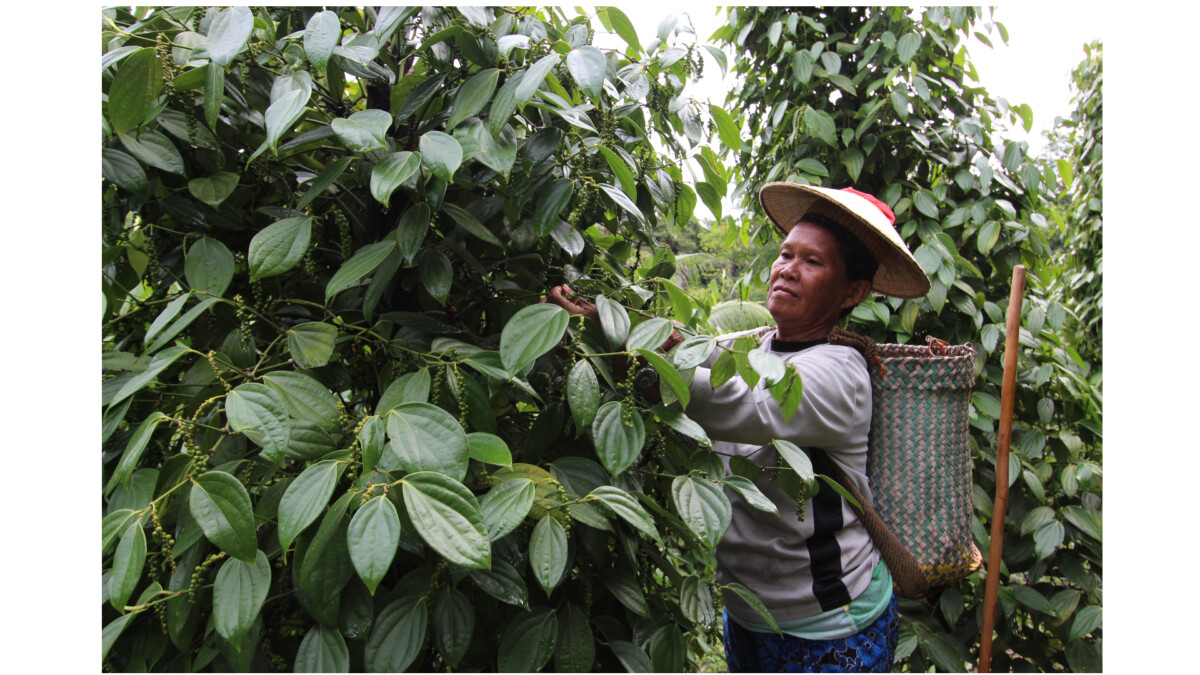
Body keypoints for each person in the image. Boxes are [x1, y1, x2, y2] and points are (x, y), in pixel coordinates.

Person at [545, 182, 930, 672]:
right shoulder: (755, 346)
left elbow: (735, 399)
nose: (788, 269)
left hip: (830, 623)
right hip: (750, 612)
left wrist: (634, 365)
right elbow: (686, 347)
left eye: (813, 262)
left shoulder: (841, 375)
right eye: (787, 253)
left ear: (852, 292)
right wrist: (597, 322)